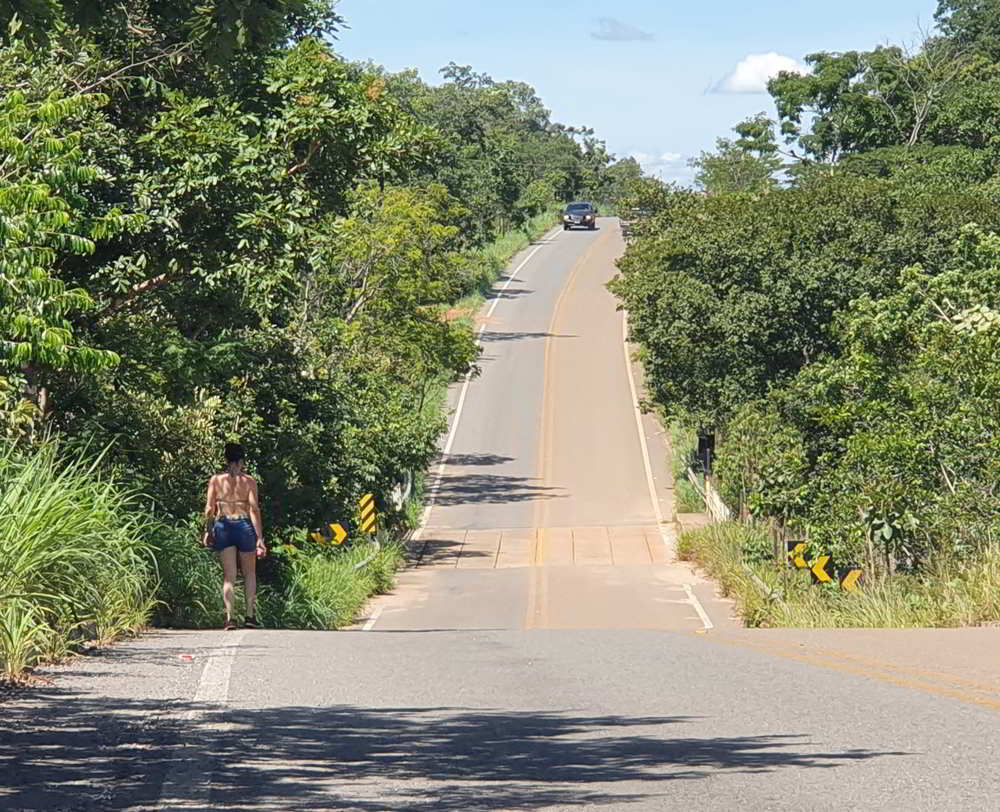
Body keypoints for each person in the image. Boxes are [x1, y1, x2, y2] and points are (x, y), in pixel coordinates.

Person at [202, 443, 266, 630]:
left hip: (224, 525)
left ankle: (230, 618)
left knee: (229, 576)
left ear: (226, 459)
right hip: (244, 525)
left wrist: (208, 530)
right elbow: (254, 509)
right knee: (249, 573)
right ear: (242, 461)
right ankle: (249, 615)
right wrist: (259, 537)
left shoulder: (216, 480)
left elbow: (209, 508)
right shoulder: (249, 482)